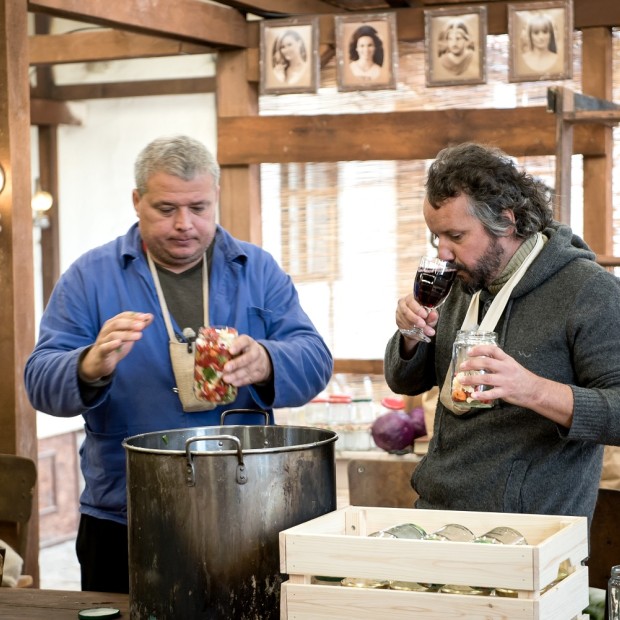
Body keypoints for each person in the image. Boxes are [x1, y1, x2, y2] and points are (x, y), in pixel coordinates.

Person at [24, 135, 333, 593]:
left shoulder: (257, 269)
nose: (184, 224)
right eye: (166, 209)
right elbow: (38, 379)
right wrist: (87, 366)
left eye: (199, 208)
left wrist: (268, 360)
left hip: (248, 506)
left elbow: (314, 358)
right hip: (124, 514)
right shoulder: (90, 277)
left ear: (216, 199)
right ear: (136, 200)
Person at [384, 142, 620, 527]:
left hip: (532, 533)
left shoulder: (589, 291)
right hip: (438, 516)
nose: (443, 253)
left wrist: (531, 389)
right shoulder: (460, 282)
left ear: (506, 222)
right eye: (435, 238)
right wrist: (410, 335)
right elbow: (405, 382)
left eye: (456, 236)